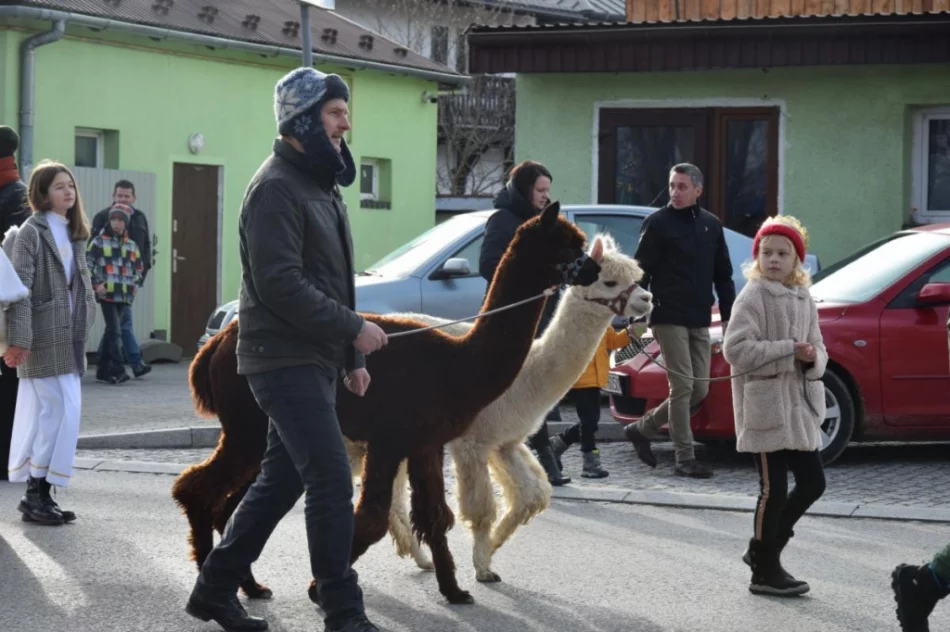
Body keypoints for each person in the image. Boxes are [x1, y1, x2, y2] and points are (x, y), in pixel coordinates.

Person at [184, 67, 389, 632]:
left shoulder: (318, 184)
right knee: (329, 476)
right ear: (302, 121)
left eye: (345, 113)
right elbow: (280, 283)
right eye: (334, 113)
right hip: (281, 358)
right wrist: (353, 329)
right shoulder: (276, 186)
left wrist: (352, 357)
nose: (346, 124)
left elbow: (332, 278)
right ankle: (342, 608)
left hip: (313, 357)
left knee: (282, 479)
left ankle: (214, 588)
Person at [722, 216, 827, 597]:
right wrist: (787, 351)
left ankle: (764, 550)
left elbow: (819, 346)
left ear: (797, 260)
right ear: (757, 258)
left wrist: (814, 357)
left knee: (814, 482)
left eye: (783, 253)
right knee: (774, 491)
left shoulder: (804, 298)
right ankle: (764, 572)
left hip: (799, 408)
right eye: (767, 253)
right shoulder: (752, 295)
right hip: (765, 409)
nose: (774, 260)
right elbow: (734, 350)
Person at [623, 163, 736, 478]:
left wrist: (728, 318)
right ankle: (684, 458)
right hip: (666, 316)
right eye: (672, 185)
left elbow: (724, 276)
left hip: (700, 318)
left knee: (699, 390)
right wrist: (634, 316)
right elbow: (639, 271)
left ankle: (641, 429)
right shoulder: (657, 223)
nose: (675, 192)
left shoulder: (711, 226)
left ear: (698, 191)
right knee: (683, 386)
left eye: (682, 186)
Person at [4, 160, 96, 524]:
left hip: (69, 338)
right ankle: (33, 494)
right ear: (42, 194)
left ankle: (42, 493)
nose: (68, 191)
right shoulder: (32, 232)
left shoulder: (74, 232)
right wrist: (20, 338)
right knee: (55, 412)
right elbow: (19, 291)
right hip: (42, 338)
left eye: (70, 185)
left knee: (64, 415)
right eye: (59, 186)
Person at [478, 159, 570, 486]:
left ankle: (542, 460)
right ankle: (542, 463)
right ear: (524, 189)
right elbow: (490, 264)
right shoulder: (503, 220)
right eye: (540, 190)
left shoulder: (542, 220)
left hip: (543, 315)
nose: (546, 196)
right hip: (511, 319)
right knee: (525, 390)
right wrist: (531, 278)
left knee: (538, 388)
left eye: (548, 190)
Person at [551, 322, 643, 478]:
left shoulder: (602, 318)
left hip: (596, 379)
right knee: (589, 422)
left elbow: (613, 341)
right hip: (580, 378)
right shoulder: (576, 320)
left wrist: (637, 329)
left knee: (590, 421)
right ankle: (590, 463)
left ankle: (558, 443)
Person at [89, 180, 151, 379]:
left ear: (133, 198)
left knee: (114, 328)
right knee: (118, 327)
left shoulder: (139, 220)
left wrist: (137, 281)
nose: (123, 199)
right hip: (108, 290)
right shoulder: (101, 221)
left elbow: (143, 254)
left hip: (127, 288)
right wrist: (95, 285)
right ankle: (127, 365)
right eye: (119, 195)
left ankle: (102, 366)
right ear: (113, 196)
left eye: (127, 196)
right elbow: (90, 258)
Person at [0, 125, 31, 481]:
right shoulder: (13, 192)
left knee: (9, 386)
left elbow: (19, 263)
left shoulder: (15, 196)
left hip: (8, 309)